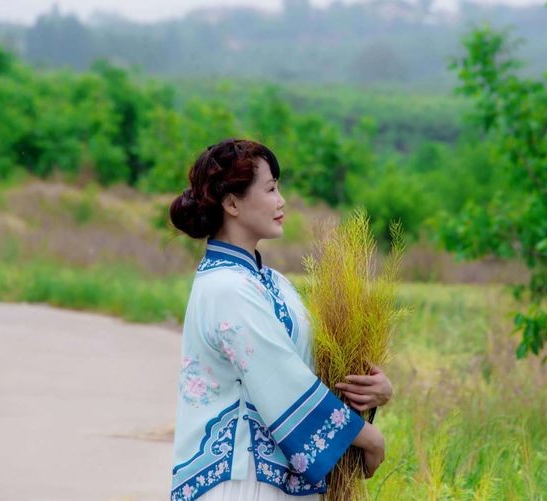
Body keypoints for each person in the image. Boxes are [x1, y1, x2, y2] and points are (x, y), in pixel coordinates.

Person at [168, 139, 392, 501]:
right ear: (232, 203)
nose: (281, 201)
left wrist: (373, 390)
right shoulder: (227, 287)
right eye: (271, 189)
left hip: (272, 480)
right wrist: (367, 438)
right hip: (241, 480)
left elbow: (310, 369)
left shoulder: (272, 283)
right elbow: (282, 382)